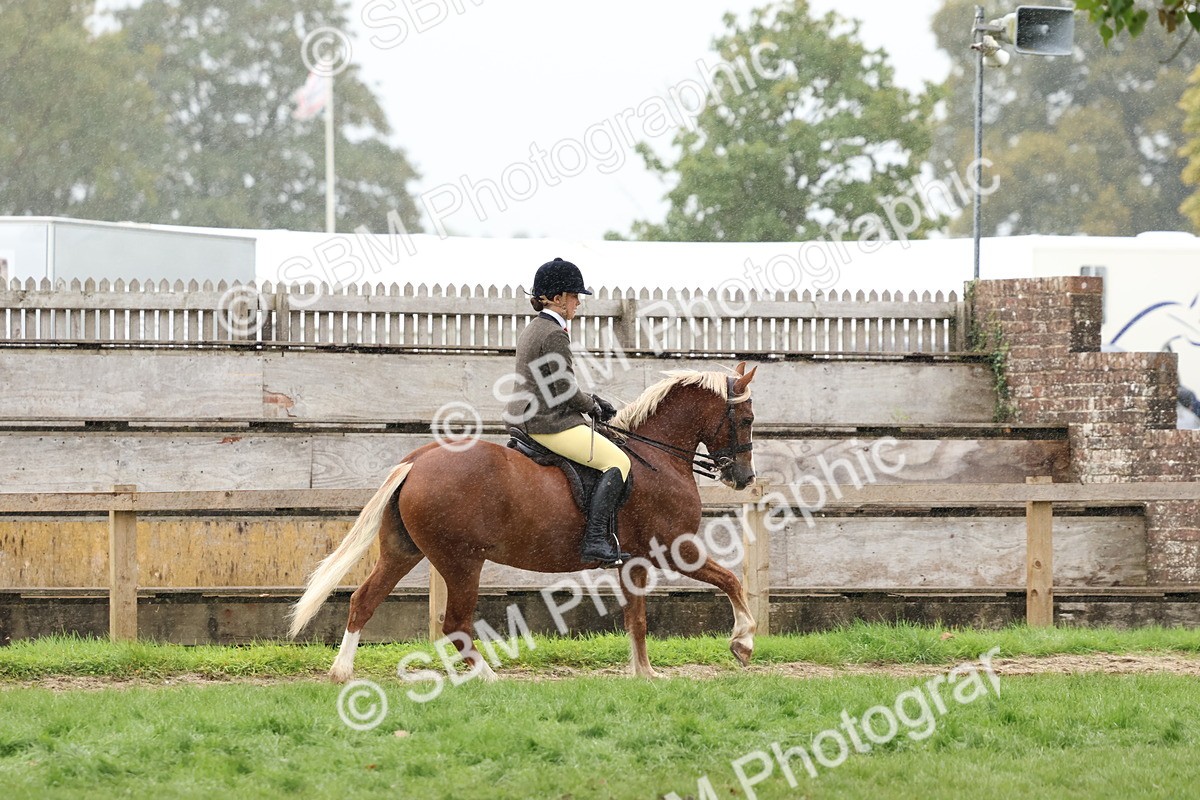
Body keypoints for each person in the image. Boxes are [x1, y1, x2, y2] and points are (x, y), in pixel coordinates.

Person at [505, 257, 633, 567]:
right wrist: (593, 405)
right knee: (618, 460)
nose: (578, 303)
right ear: (558, 298)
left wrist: (588, 401)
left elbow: (553, 384)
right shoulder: (554, 333)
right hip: (546, 421)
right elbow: (563, 389)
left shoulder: (537, 327)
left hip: (527, 414)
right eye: (575, 296)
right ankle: (596, 540)